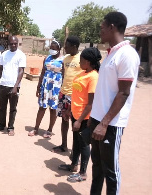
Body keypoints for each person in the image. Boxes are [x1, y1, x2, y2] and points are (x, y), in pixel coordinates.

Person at [89, 12, 140, 194]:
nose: (100, 31)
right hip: (98, 120)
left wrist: (104, 123)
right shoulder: (111, 54)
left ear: (112, 27)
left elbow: (123, 92)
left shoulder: (127, 55)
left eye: (102, 27)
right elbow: (104, 90)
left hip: (111, 124)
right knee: (97, 167)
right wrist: (93, 117)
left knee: (111, 171)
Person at [58, 47, 101, 183]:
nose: (79, 62)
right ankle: (73, 165)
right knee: (76, 141)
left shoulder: (93, 77)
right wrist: (69, 111)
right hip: (75, 114)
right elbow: (75, 95)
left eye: (81, 59)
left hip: (84, 117)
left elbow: (90, 103)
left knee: (83, 144)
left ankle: (83, 173)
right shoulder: (82, 73)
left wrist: (79, 120)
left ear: (88, 62)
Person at [53, 36, 83, 153]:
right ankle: (64, 145)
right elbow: (65, 74)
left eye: (67, 45)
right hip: (64, 93)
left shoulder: (81, 59)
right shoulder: (65, 59)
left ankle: (76, 152)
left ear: (74, 47)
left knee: (75, 123)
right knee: (64, 119)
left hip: (75, 95)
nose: (65, 47)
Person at [28, 40, 63, 138]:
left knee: (53, 109)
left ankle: (49, 130)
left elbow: (64, 75)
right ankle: (36, 128)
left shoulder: (63, 60)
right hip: (45, 87)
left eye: (54, 48)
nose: (52, 50)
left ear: (59, 49)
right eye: (51, 48)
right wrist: (38, 87)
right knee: (42, 107)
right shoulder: (46, 58)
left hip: (56, 88)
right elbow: (43, 72)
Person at [0, 36, 26, 136]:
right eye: (11, 43)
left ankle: (10, 127)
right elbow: (0, 68)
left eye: (15, 43)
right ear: (8, 44)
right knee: (2, 107)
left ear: (18, 43)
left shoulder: (21, 55)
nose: (13, 45)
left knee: (13, 108)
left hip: (14, 86)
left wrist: (16, 86)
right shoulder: (4, 54)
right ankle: (0, 125)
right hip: (3, 84)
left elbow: (21, 71)